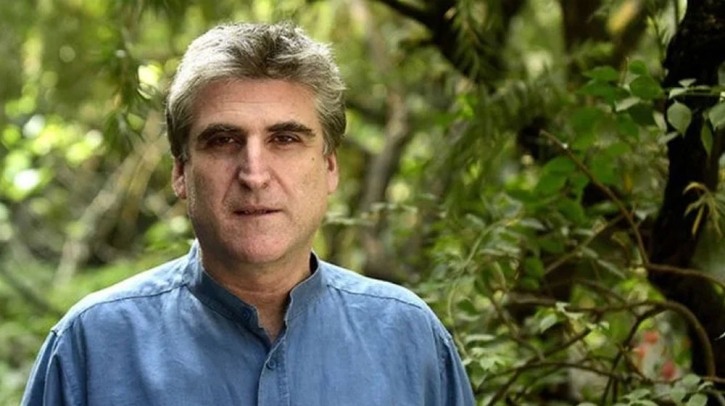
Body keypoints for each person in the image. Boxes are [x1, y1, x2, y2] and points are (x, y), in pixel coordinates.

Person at [21, 22, 475, 406]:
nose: (254, 174)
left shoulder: (410, 339)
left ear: (329, 167)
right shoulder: (91, 347)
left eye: (285, 139)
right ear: (180, 173)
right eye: (223, 141)